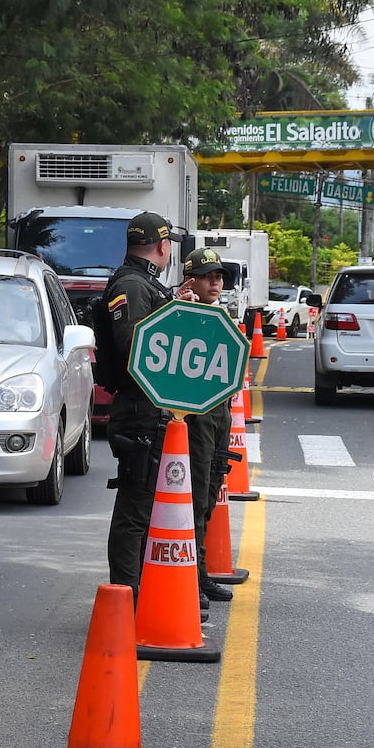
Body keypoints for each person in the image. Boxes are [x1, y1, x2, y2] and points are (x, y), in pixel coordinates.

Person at [103, 211, 193, 596]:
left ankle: (140, 594)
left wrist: (173, 301)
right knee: (135, 510)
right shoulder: (131, 285)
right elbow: (133, 345)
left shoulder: (145, 285)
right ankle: (126, 599)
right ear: (163, 246)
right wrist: (169, 311)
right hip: (139, 410)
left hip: (147, 410)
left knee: (147, 506)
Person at [181, 248, 235, 603]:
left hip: (220, 412)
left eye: (219, 276)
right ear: (191, 280)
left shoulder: (221, 313)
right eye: (207, 276)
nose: (216, 282)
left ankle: (201, 573)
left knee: (213, 488)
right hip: (196, 416)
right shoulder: (181, 314)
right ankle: (192, 578)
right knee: (196, 496)